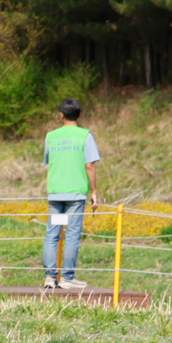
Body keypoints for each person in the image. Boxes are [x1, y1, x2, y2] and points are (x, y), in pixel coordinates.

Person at [42, 99, 101, 291]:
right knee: (72, 234)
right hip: (75, 195)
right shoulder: (85, 135)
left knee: (53, 234)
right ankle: (67, 277)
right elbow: (90, 165)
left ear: (61, 114)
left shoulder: (51, 136)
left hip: (56, 193)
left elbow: (49, 161)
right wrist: (94, 191)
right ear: (79, 114)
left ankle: (50, 277)